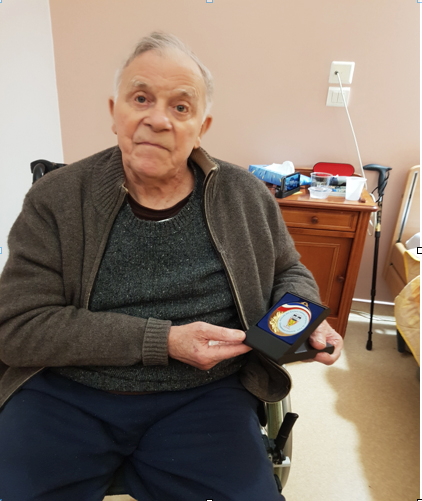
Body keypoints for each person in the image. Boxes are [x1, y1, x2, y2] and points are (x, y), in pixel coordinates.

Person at [0, 31, 343, 501]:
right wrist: (164, 341)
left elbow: (289, 269)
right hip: (68, 390)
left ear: (202, 126)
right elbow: (17, 328)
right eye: (141, 98)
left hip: (205, 395)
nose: (157, 119)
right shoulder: (56, 199)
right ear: (114, 112)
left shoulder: (245, 195)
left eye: (181, 107)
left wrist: (301, 315)